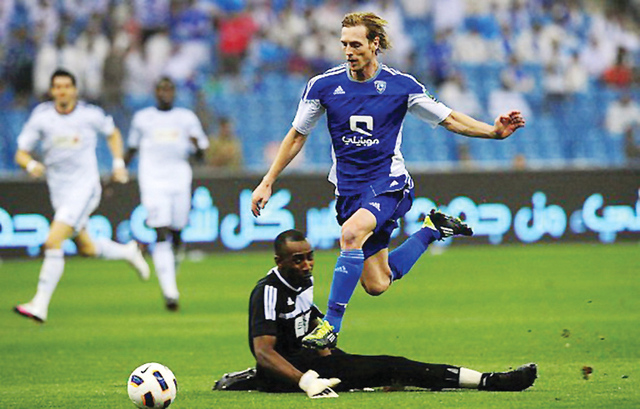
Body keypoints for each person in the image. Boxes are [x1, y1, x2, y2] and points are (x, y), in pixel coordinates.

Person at [250, 12, 526, 349]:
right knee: (377, 284)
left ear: (374, 44)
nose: (348, 51)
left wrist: (493, 132)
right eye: (344, 44)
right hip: (349, 191)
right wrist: (268, 180)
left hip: (389, 185)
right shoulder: (323, 86)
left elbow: (450, 119)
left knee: (350, 235)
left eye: (356, 45)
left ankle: (330, 325)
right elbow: (297, 136)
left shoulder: (401, 86)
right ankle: (432, 230)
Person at [212, 229, 538, 398]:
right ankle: (490, 381)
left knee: (378, 370)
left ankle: (246, 379)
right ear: (278, 261)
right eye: (298, 260)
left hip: (309, 362)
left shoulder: (303, 280)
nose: (307, 265)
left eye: (310, 257)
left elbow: (308, 319)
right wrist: (306, 381)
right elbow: (264, 351)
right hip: (290, 374)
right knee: (391, 366)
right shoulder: (268, 291)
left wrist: (331, 356)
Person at [13, 69, 150, 323]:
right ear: (52, 91)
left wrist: (118, 163)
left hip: (85, 188)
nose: (62, 91)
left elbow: (113, 133)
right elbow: (21, 152)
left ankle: (39, 304)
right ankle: (128, 252)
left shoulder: (89, 115)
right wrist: (31, 165)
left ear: (75, 90)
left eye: (67, 86)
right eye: (58, 87)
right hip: (59, 192)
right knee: (87, 248)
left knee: (53, 241)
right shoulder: (42, 117)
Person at [125, 76, 209, 311]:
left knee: (177, 232)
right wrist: (119, 170)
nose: (165, 93)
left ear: (174, 93)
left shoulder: (186, 118)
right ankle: (170, 292)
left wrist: (196, 145)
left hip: (180, 181)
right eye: (161, 89)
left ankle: (173, 264)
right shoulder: (143, 119)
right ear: (155, 92)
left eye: (169, 90)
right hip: (152, 182)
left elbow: (201, 156)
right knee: (160, 232)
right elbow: (131, 148)